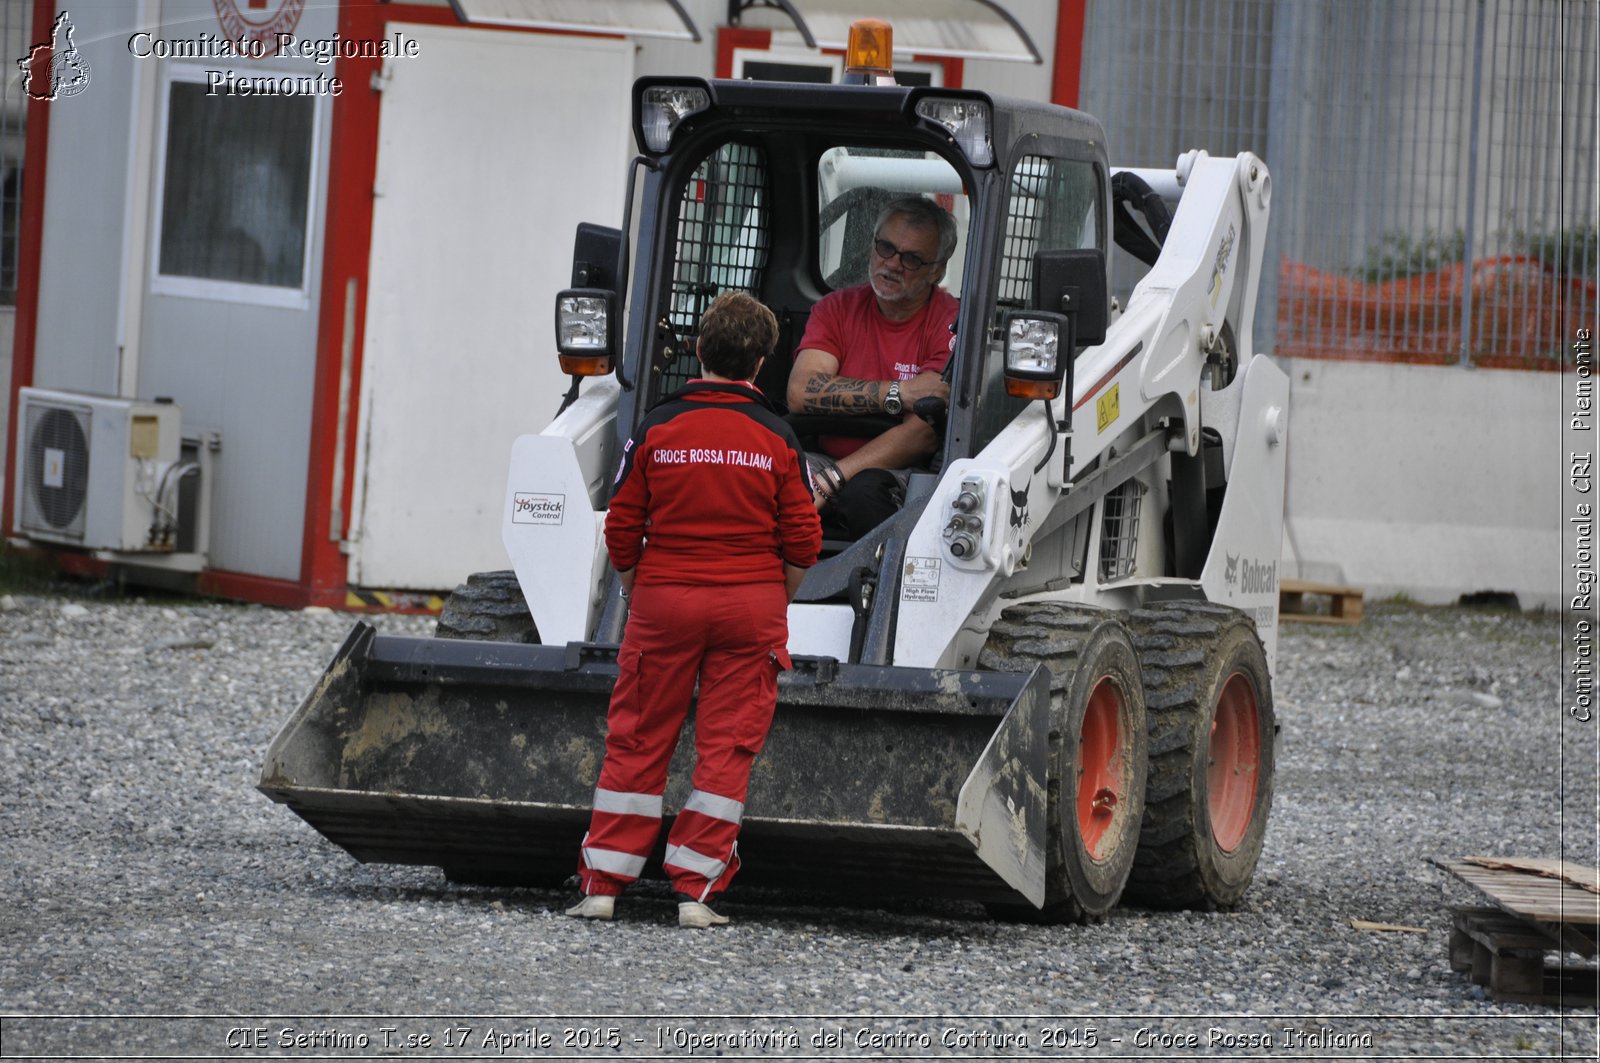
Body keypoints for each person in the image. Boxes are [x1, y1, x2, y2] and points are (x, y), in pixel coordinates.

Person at [566, 291, 822, 929]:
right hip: (750, 607)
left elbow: (622, 527)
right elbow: (804, 539)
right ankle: (694, 895)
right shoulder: (777, 437)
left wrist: (637, 589)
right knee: (725, 749)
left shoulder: (657, 425)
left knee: (637, 738)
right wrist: (773, 596)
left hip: (663, 602)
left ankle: (603, 886)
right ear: (761, 364)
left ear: (699, 352)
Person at [787, 195, 960, 539]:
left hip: (903, 472)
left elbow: (924, 432)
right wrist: (899, 393)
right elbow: (800, 391)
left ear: (936, 271)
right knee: (764, 478)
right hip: (823, 458)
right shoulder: (835, 309)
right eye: (885, 248)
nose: (893, 264)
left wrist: (833, 479)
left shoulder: (951, 320)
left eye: (911, 259)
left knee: (862, 495)